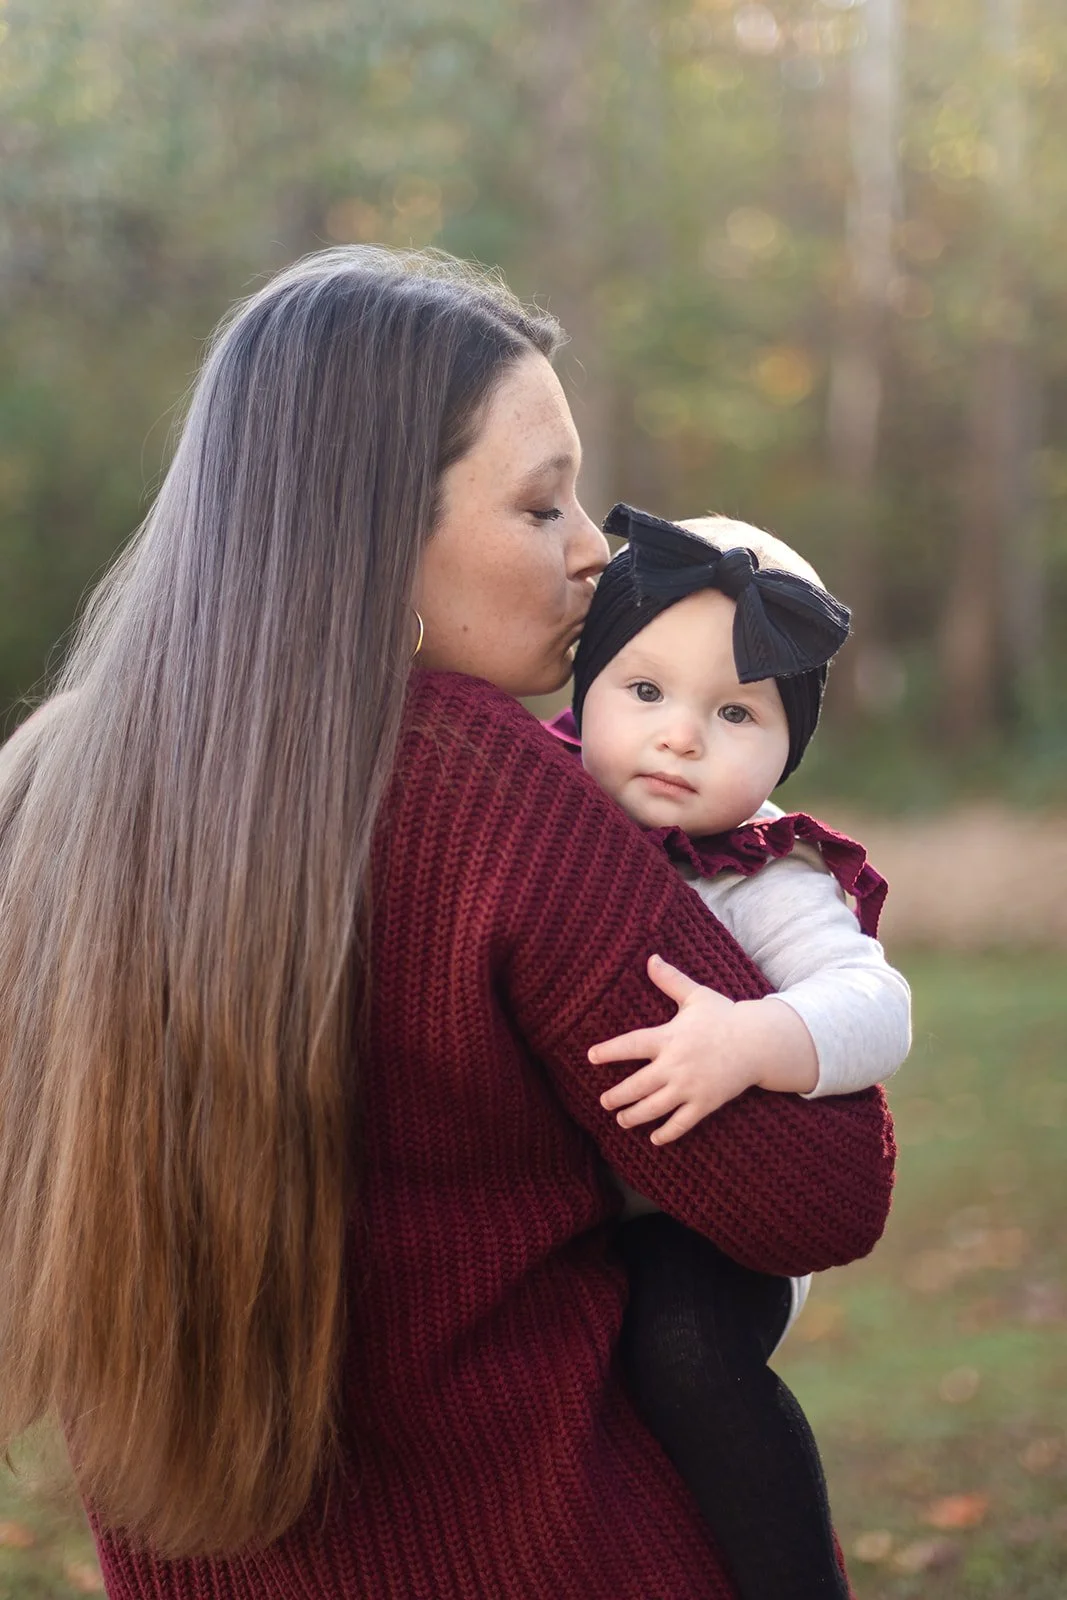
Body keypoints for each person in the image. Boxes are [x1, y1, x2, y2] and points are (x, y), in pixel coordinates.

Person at [0, 246, 896, 1600]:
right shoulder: (497, 795)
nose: (597, 548)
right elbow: (818, 1196)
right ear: (374, 533)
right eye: (541, 509)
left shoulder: (43, 788)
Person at [545, 502, 910, 1598]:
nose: (680, 735)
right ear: (586, 686)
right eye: (644, 690)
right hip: (568, 1198)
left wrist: (751, 1039)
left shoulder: (767, 876)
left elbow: (874, 1001)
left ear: (788, 742)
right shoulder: (530, 801)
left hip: (717, 1231)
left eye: (734, 711)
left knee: (682, 1345)